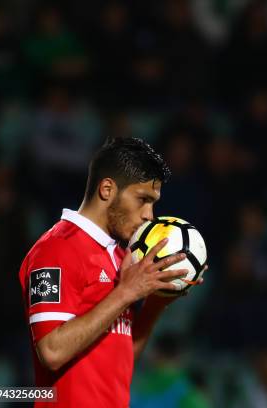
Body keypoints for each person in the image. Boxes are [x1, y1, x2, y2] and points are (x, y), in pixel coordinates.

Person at [18, 137, 202, 407]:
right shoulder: (57, 249)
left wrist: (155, 302)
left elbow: (122, 357)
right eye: (143, 199)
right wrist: (126, 293)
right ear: (107, 189)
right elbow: (51, 351)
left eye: (153, 203)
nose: (150, 215)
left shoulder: (119, 255)